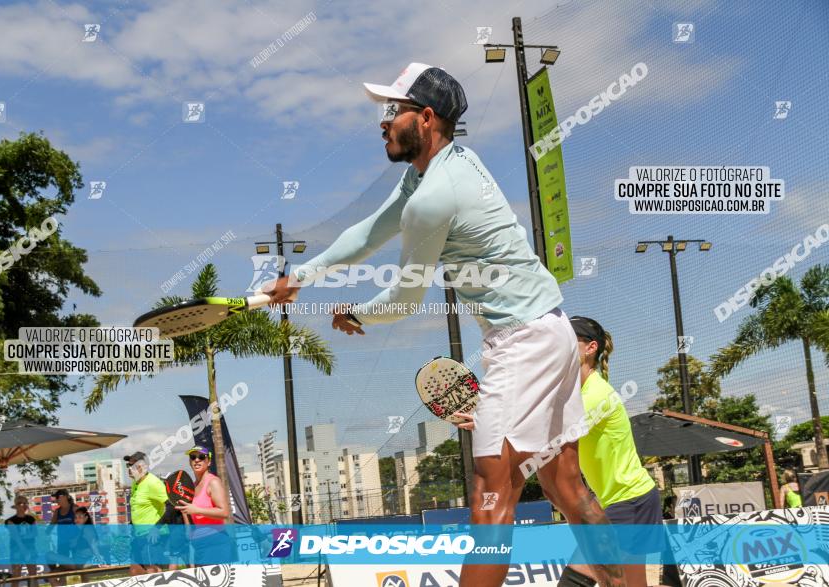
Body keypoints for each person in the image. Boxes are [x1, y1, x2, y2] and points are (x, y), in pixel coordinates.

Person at [266, 62, 623, 587]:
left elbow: (406, 296)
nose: (382, 122)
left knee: (489, 498)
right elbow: (370, 231)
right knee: (566, 485)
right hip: (554, 330)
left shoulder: (434, 197)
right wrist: (302, 275)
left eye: (394, 111)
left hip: (522, 342)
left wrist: (356, 313)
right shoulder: (446, 165)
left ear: (425, 117)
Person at [557, 316, 666, 587]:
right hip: (634, 498)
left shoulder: (596, 394)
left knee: (578, 573)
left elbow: (547, 436)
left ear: (590, 348)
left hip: (629, 500)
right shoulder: (577, 393)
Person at [175, 446, 231, 565]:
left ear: (209, 461)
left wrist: (197, 510)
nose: (196, 460)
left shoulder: (213, 482)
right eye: (193, 457)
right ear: (190, 461)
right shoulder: (192, 486)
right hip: (199, 544)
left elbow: (224, 512)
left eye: (201, 457)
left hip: (216, 542)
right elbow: (188, 512)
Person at [125, 451, 168, 576]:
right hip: (138, 536)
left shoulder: (153, 483)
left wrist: (156, 528)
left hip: (151, 535)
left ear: (142, 467)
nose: (129, 469)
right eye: (128, 465)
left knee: (152, 571)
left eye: (133, 466)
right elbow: (139, 509)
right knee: (135, 571)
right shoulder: (135, 483)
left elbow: (171, 506)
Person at [5, 495, 38, 587]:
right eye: (20, 503)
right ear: (15, 506)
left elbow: (35, 533)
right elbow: (16, 537)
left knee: (33, 576)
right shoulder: (9, 521)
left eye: (25, 503)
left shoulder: (31, 519)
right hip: (16, 550)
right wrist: (24, 548)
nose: (23, 505)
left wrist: (22, 536)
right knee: (16, 577)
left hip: (31, 548)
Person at [49, 488, 77, 586]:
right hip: (62, 544)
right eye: (55, 497)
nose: (55, 499)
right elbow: (50, 527)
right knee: (55, 575)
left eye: (57, 497)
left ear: (65, 497)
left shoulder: (74, 508)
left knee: (81, 572)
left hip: (75, 546)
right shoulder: (57, 512)